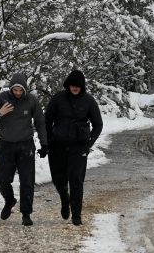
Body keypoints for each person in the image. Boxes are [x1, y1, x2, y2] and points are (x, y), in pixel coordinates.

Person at [0, 72, 48, 226]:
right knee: (1, 178)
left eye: (21, 90)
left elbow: (40, 122)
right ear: (11, 88)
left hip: (25, 144)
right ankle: (9, 200)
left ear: (25, 89)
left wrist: (44, 144)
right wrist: (1, 112)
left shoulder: (31, 100)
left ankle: (26, 214)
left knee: (27, 181)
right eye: (15, 90)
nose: (18, 93)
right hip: (5, 144)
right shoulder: (2, 98)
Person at [44, 69, 103, 226]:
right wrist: (48, 140)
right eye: (72, 85)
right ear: (68, 85)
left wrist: (88, 144)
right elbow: (47, 120)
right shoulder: (58, 98)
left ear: (82, 87)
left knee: (76, 180)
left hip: (78, 147)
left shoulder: (89, 101)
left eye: (78, 86)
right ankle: (65, 199)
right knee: (58, 179)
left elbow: (98, 125)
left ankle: (76, 214)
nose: (75, 88)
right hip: (57, 146)